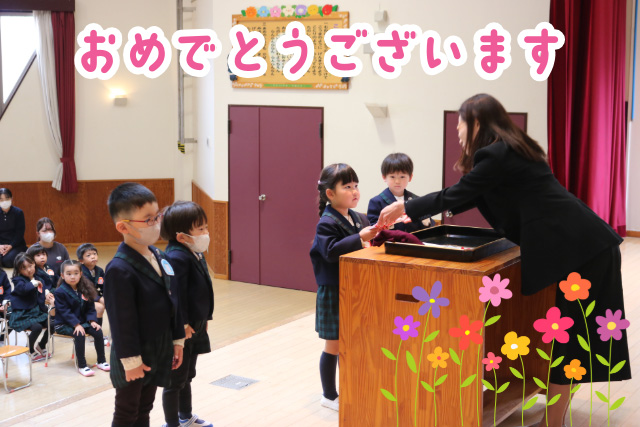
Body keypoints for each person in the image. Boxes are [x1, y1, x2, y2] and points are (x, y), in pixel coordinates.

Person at [378, 93, 631, 427]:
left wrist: (406, 207)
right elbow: (470, 194)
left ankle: (553, 422)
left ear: (476, 122)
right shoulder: (514, 149)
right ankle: (554, 416)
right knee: (571, 339)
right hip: (588, 245)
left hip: (582, 251)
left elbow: (459, 192)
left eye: (461, 123)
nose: (458, 131)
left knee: (569, 343)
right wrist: (423, 210)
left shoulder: (496, 154)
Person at [104, 182, 185, 427]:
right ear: (123, 227)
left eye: (157, 216)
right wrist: (132, 362)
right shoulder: (119, 269)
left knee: (145, 408)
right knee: (127, 412)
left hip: (158, 346)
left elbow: (173, 300)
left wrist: (177, 340)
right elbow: (121, 322)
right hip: (133, 353)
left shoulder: (159, 256)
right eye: (148, 219)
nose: (156, 224)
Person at [309, 164, 378, 411]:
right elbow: (330, 252)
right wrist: (361, 238)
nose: (354, 191)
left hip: (356, 289)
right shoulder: (326, 223)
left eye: (356, 186)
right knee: (334, 345)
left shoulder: (360, 218)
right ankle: (329, 395)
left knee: (353, 343)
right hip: (334, 290)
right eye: (347, 187)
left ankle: (352, 388)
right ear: (330, 193)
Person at [160, 201, 215, 427]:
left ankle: (185, 416)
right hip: (181, 330)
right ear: (181, 236)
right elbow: (175, 297)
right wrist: (182, 326)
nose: (206, 233)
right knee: (175, 380)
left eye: (206, 227)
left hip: (195, 324)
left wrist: (204, 318)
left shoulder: (193, 252)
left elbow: (200, 291)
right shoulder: (176, 257)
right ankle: (172, 423)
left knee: (187, 376)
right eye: (200, 229)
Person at [54, 260, 110, 376]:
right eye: (69, 274)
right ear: (62, 275)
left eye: (76, 273)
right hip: (64, 323)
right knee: (79, 334)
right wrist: (76, 324)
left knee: (98, 331)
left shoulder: (85, 288)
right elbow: (64, 311)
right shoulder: (59, 292)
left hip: (82, 322)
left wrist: (92, 320)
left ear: (80, 274)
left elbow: (90, 307)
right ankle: (82, 365)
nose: (72, 277)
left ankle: (101, 361)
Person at [367, 153, 434, 232]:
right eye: (392, 177)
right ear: (384, 177)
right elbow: (372, 228)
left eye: (402, 177)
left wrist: (426, 222)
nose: (397, 181)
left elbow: (429, 225)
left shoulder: (416, 200)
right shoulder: (376, 202)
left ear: (410, 177)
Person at [8, 253, 53, 361]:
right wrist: (33, 284)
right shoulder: (18, 280)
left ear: (34, 264)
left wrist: (47, 293)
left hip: (37, 311)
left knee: (53, 324)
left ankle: (41, 345)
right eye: (24, 268)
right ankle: (29, 349)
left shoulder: (39, 278)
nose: (28, 270)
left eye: (30, 266)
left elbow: (42, 291)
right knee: (37, 327)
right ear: (19, 270)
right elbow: (23, 289)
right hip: (23, 313)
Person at [77, 243, 108, 344]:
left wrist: (106, 296)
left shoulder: (99, 270)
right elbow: (85, 289)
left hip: (94, 297)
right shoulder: (80, 271)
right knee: (99, 307)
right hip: (82, 298)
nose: (93, 257)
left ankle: (100, 332)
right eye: (88, 255)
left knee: (109, 303)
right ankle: (95, 334)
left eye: (94, 254)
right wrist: (99, 298)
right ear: (81, 261)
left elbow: (104, 286)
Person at [0, 188, 28, 268]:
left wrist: (11, 246)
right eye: (1, 199)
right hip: (1, 244)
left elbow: (20, 233)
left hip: (15, 245)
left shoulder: (18, 212)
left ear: (11, 199)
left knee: (8, 261)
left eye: (7, 198)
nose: (4, 201)